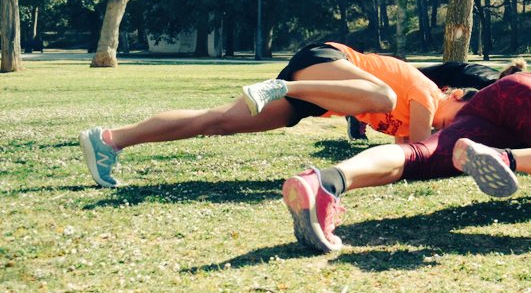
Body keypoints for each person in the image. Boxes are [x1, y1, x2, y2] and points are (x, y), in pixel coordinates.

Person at [281, 61, 531, 252]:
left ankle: (325, 182)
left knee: (419, 155)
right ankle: (504, 159)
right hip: (524, 104)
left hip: (502, 99)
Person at [79, 42, 460, 188]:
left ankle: (111, 140)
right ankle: (283, 87)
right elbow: (419, 154)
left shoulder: (418, 116)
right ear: (454, 93)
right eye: (463, 113)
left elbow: (401, 153)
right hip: (327, 61)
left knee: (217, 121)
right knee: (383, 94)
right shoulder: (427, 93)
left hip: (313, 96)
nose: (456, 124)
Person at [346, 61, 503, 140]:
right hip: (447, 78)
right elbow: (419, 150)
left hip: (448, 85)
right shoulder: (490, 90)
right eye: (461, 116)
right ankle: (357, 116)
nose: (458, 123)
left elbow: (406, 151)